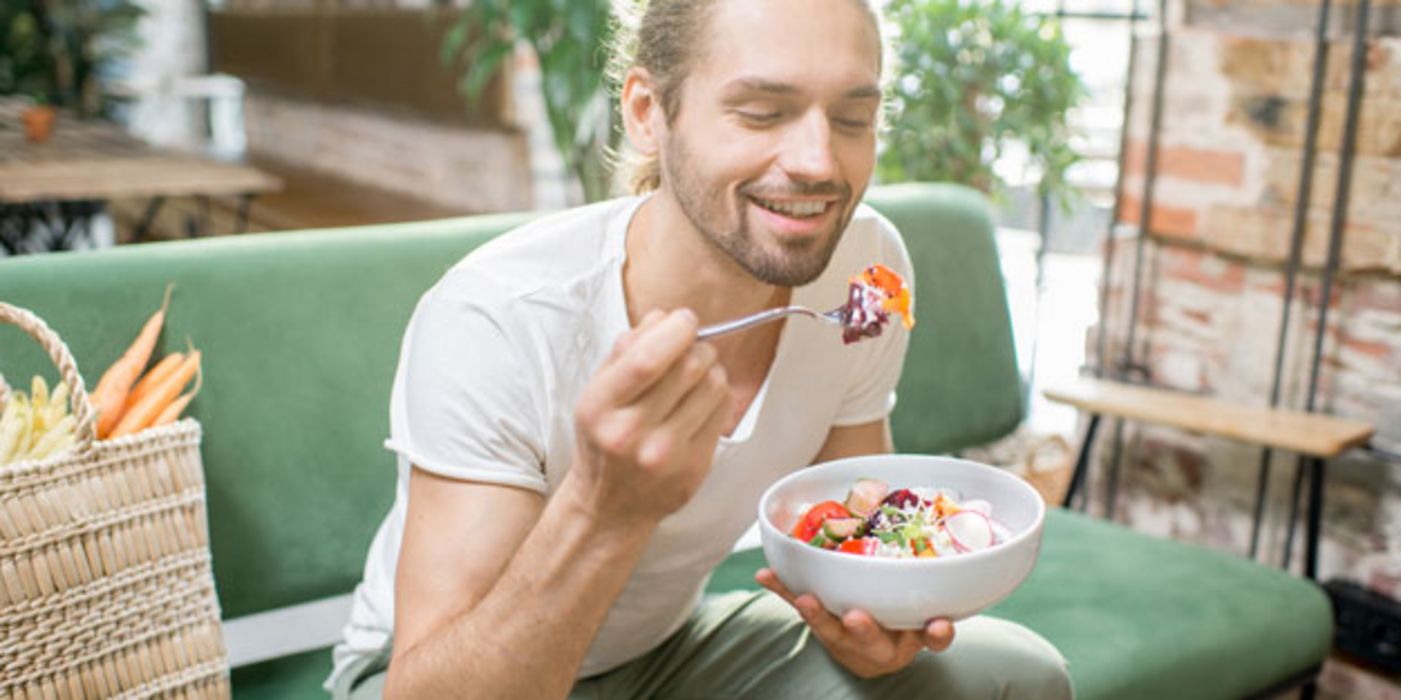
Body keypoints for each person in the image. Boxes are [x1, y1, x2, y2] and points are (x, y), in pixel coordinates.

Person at [327, 0, 1073, 697]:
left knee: (1016, 676)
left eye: (852, 117)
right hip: (447, 674)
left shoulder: (863, 268)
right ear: (649, 113)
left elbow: (847, 531)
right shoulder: (499, 316)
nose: (819, 161)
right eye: (761, 113)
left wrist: (866, 627)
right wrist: (604, 507)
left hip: (665, 650)